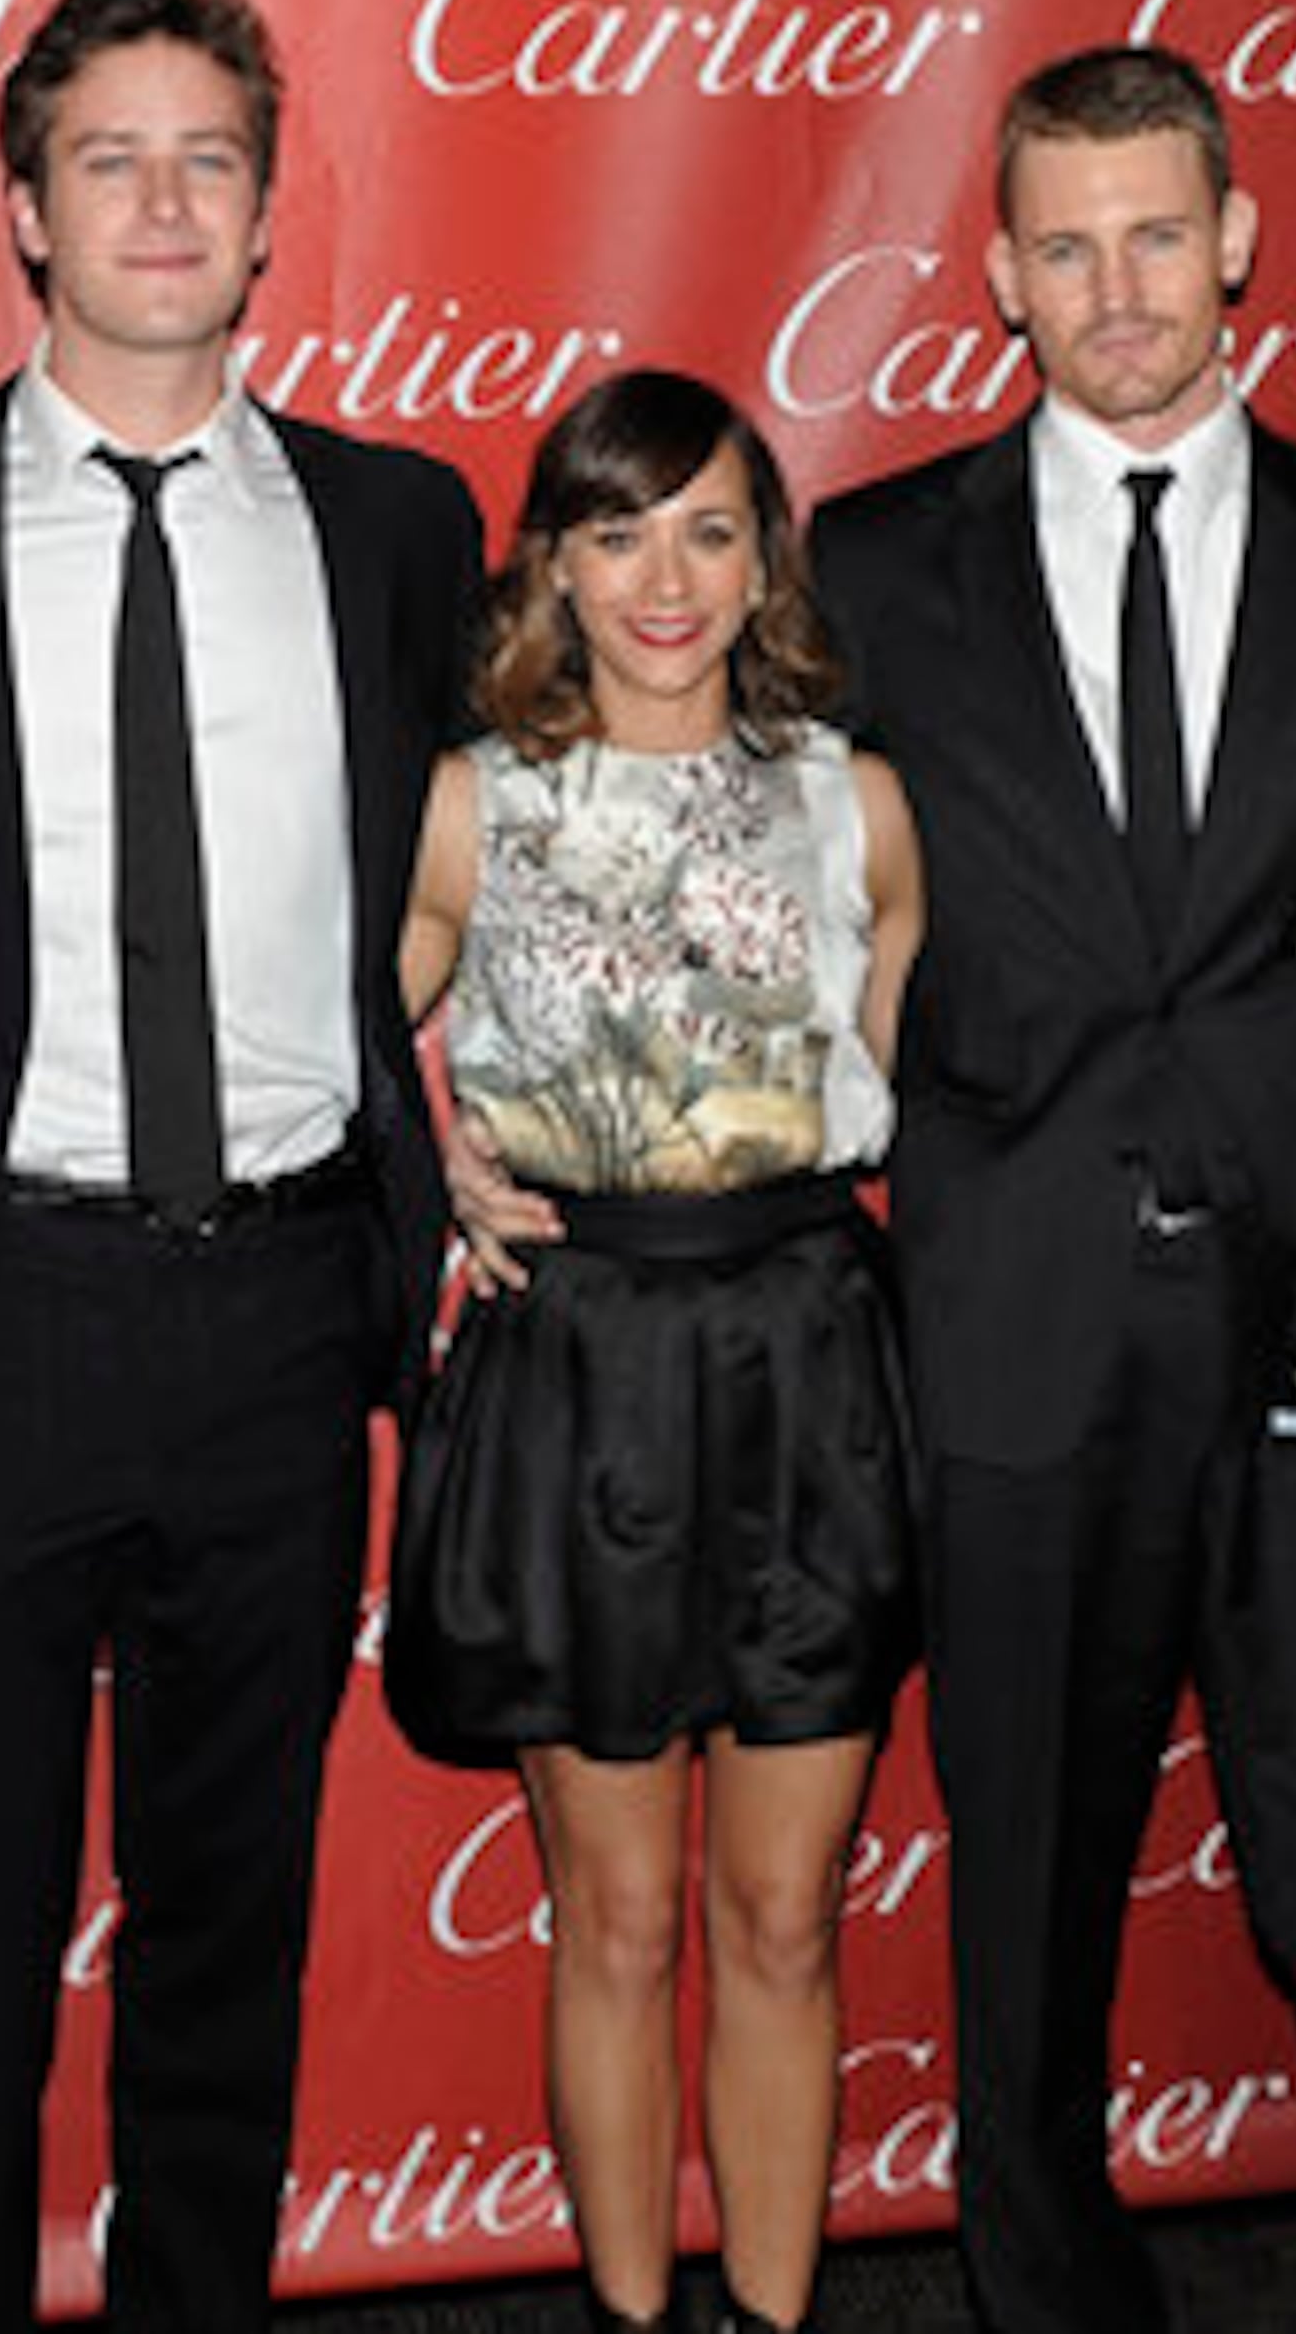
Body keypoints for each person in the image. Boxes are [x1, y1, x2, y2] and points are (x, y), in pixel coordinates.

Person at [454, 44, 1296, 2331]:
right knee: (1027, 1921)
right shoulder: (884, 564)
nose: (1118, 283)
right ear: (1003, 271)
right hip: (1008, 1338)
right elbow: (664, 877)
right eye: (1067, 241)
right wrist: (464, 1110)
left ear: (1235, 237)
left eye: (1160, 231)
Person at [0, 0, 483, 2334]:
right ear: (25, 213)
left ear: (268, 212)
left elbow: (481, 875)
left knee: (223, 1930)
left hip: (282, 1314)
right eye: (111, 159)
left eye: (211, 159)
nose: (165, 203)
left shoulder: (398, 522)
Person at [390, 370, 925, 2334]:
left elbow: (939, 1083)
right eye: (618, 530)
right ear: (555, 561)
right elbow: (336, 1067)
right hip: (579, 1364)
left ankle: (773, 2324)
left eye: (708, 526)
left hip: (808, 1356)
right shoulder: (479, 798)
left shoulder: (851, 799)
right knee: (615, 1916)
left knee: (782, 1916)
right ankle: (628, 2319)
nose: (664, 575)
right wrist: (433, 1156)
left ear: (764, 552)